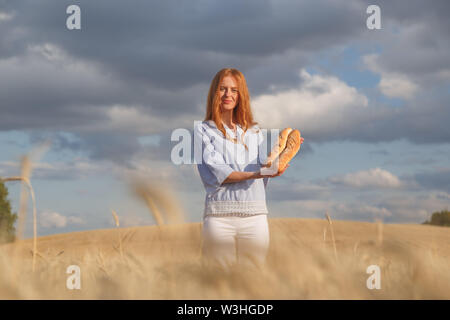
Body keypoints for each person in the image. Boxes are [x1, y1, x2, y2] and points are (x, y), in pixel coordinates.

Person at [194, 68, 301, 270]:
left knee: (253, 283)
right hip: (219, 219)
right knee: (218, 283)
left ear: (241, 94)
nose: (228, 95)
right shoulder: (203, 130)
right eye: (223, 89)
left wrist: (282, 152)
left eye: (234, 90)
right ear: (214, 93)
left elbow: (265, 166)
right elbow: (221, 173)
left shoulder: (254, 131)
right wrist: (260, 173)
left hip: (255, 217)